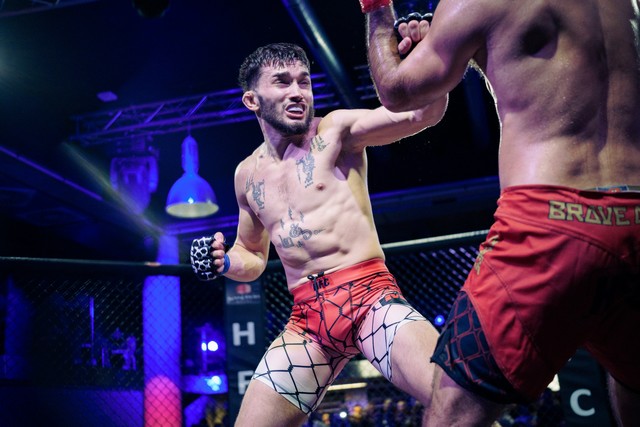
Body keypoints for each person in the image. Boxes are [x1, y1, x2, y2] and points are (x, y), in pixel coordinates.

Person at [357, 0, 640, 425]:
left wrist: (377, 9)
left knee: (452, 413)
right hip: (635, 218)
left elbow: (398, 90)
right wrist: (477, 48)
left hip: (548, 225)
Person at [190, 42, 447, 426]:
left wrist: (430, 57)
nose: (298, 92)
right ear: (252, 100)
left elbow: (423, 114)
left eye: (304, 82)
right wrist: (224, 261)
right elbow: (253, 255)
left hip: (370, 300)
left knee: (457, 402)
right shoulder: (246, 174)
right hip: (308, 322)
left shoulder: (336, 131)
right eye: (282, 82)